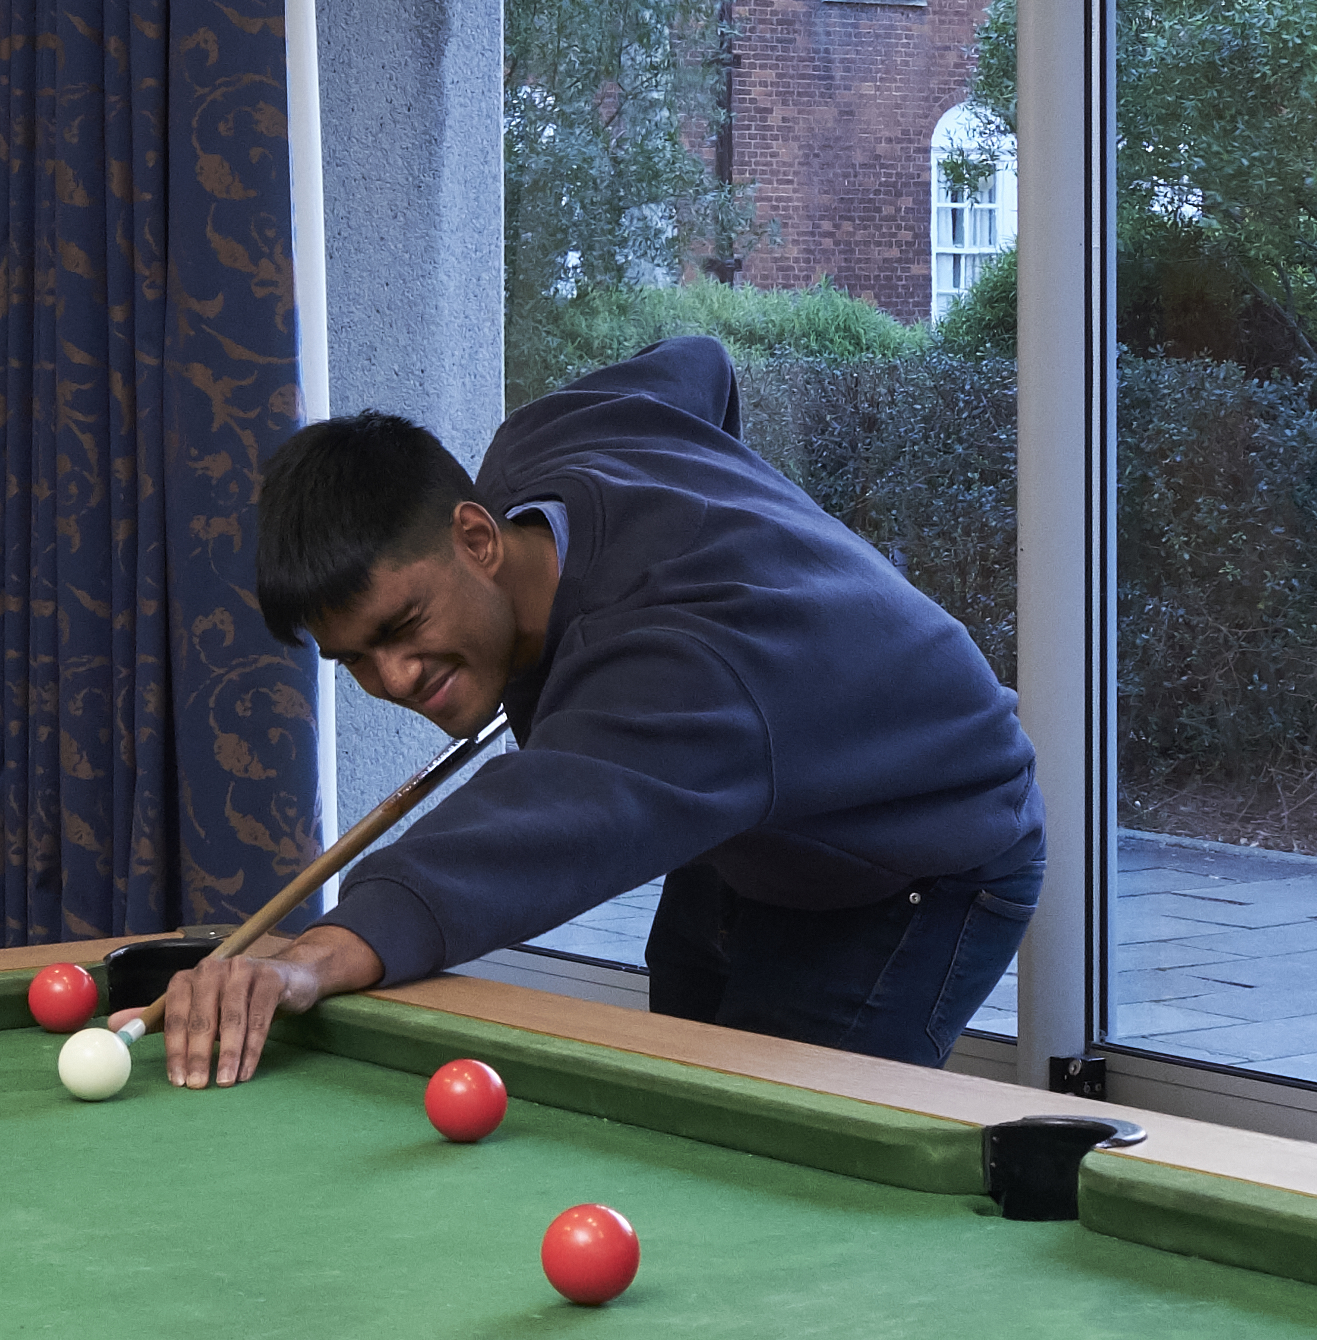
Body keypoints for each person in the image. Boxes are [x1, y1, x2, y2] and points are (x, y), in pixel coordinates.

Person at [155, 332, 1045, 1084]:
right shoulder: (553, 439)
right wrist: (733, 496)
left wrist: (314, 956)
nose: (392, 678)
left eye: (405, 625)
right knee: (683, 1109)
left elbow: (532, 832)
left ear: (476, 537)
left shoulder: (686, 668)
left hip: (921, 851)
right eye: (355, 659)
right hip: (745, 816)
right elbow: (697, 365)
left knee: (746, 1169)